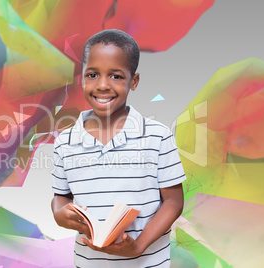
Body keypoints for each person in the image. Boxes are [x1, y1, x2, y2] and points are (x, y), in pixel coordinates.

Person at [51, 29, 185, 268]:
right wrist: (59, 213)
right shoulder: (65, 141)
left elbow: (173, 202)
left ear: (134, 81)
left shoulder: (158, 136)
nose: (102, 85)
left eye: (116, 76)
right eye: (92, 74)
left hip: (147, 263)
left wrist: (139, 245)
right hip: (88, 263)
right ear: (82, 78)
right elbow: (61, 196)